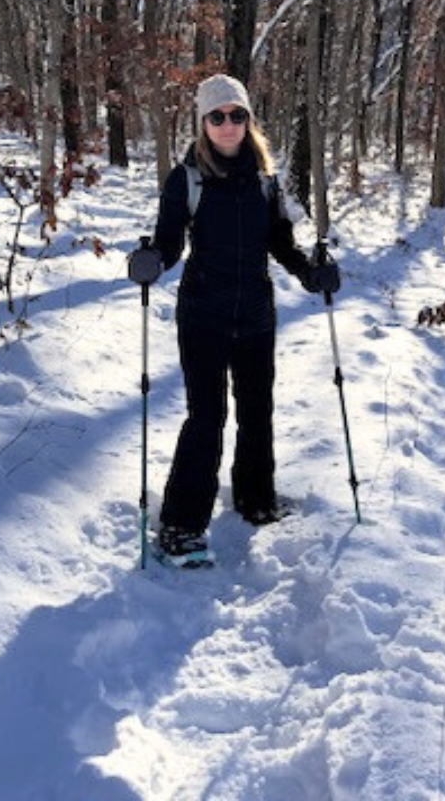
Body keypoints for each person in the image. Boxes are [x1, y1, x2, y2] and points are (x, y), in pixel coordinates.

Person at [128, 74, 340, 565]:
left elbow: (281, 245)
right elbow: (169, 241)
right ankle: (180, 527)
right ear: (203, 123)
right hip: (203, 316)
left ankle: (255, 498)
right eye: (217, 116)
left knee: (257, 412)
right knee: (207, 418)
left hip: (257, 317)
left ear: (249, 120)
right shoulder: (188, 179)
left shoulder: (266, 183)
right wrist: (152, 261)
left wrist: (312, 273)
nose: (228, 125)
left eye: (237, 115)